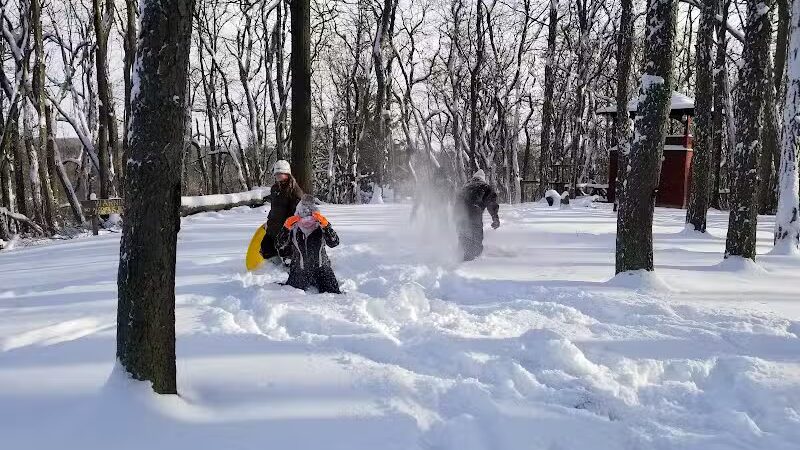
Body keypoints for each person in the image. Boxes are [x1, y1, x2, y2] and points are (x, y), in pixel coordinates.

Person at [276, 196, 342, 294]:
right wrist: (285, 228)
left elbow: (334, 243)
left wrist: (326, 226)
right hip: (299, 270)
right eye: (303, 211)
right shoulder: (293, 227)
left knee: (334, 294)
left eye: (310, 211)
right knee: (290, 295)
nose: (307, 215)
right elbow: (279, 244)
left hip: (322, 270)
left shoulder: (321, 225)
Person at [261, 160, 305, 263]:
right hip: (273, 226)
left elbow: (298, 211)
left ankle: (288, 270)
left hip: (287, 228)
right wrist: (268, 221)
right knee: (266, 249)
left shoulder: (294, 190)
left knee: (286, 255)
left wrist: (291, 227)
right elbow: (274, 208)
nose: (278, 176)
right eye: (277, 174)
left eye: (281, 173)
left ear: (287, 174)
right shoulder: (274, 188)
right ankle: (272, 267)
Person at [455, 169, 500, 261]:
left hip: (460, 215)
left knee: (463, 236)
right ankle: (473, 261)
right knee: (476, 237)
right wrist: (495, 218)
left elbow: (456, 203)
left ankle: (460, 258)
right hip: (474, 213)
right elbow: (492, 203)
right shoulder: (485, 187)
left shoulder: (465, 187)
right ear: (482, 179)